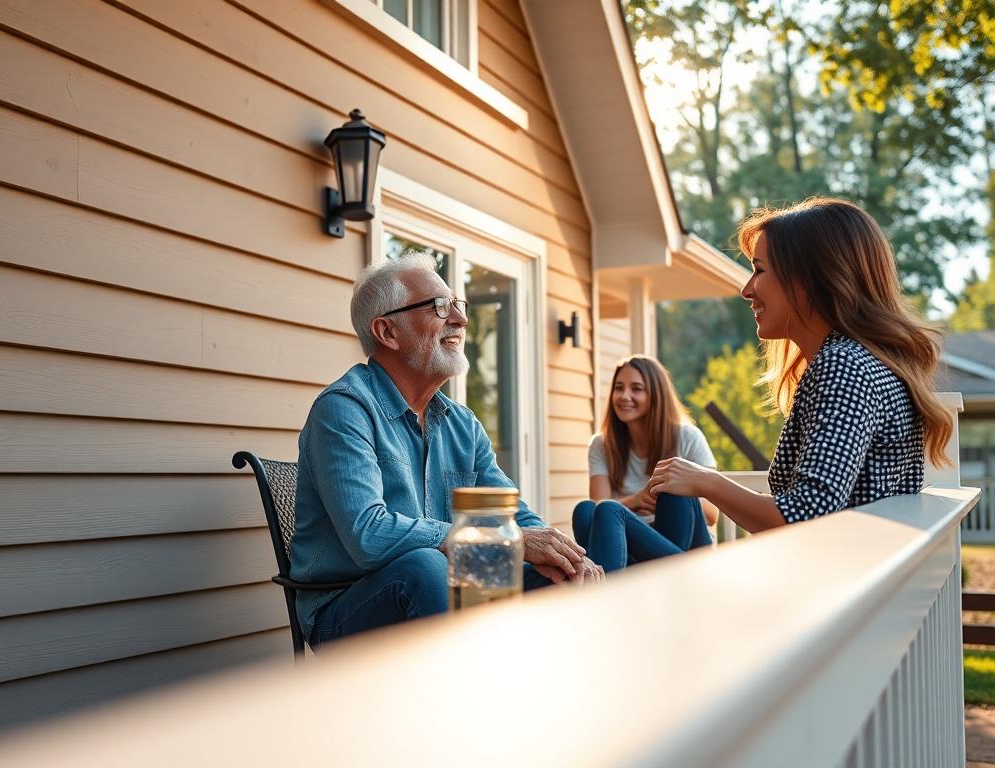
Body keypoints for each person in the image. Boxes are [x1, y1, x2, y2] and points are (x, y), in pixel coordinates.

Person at [289, 254, 604, 646]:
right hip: (348, 607)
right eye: (440, 306)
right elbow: (367, 535)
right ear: (387, 331)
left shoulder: (461, 423)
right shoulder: (343, 409)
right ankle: (465, 700)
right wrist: (509, 541)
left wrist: (565, 554)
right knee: (425, 566)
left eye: (458, 305)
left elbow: (509, 512)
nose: (460, 319)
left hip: (452, 582)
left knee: (563, 574)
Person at [646, 197, 953, 532]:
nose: (747, 290)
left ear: (810, 280)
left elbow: (806, 513)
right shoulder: (862, 363)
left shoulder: (845, 366)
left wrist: (706, 481)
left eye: (759, 270)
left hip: (843, 577)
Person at [572, 355, 719, 572]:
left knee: (672, 486)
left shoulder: (687, 436)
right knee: (585, 510)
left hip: (688, 542)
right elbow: (599, 507)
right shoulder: (602, 445)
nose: (624, 396)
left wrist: (662, 493)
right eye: (619, 388)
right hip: (631, 542)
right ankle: (655, 577)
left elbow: (711, 513)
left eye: (636, 389)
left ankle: (610, 591)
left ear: (655, 395)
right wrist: (638, 500)